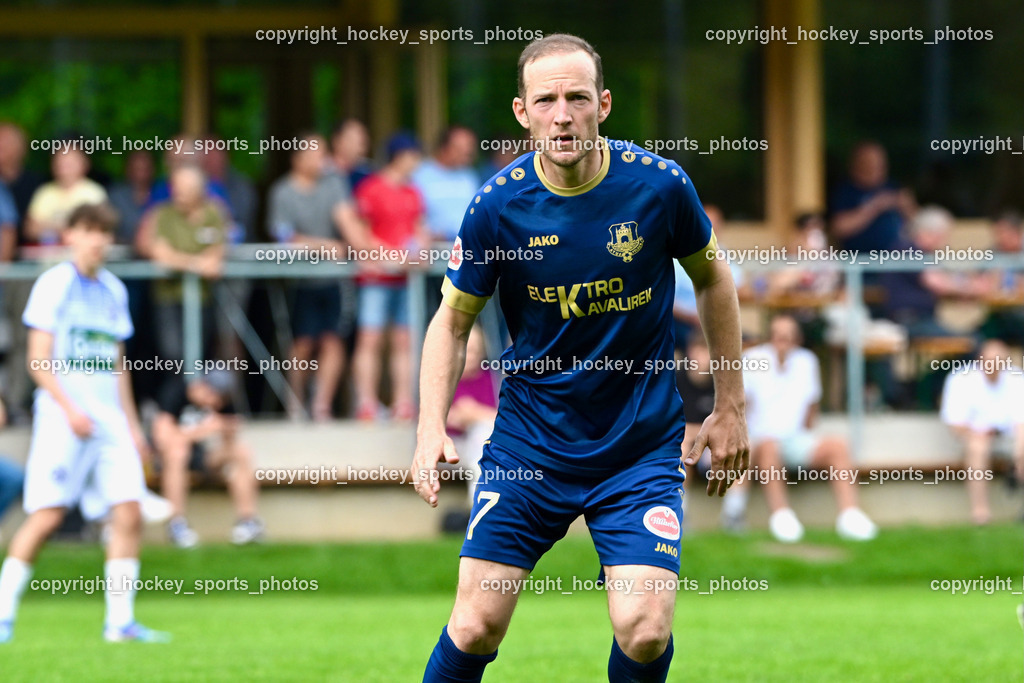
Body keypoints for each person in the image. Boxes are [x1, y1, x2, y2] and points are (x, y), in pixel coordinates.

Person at [411, 34, 748, 683]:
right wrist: (430, 426)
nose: (561, 114)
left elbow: (715, 281)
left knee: (645, 627)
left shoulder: (658, 187)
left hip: (638, 446)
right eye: (546, 100)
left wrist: (731, 406)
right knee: (477, 621)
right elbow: (451, 322)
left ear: (604, 104)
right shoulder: (496, 207)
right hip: (530, 444)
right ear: (521, 112)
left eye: (576, 97)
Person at [0, 203, 169, 643]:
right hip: (62, 416)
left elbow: (118, 365)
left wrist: (132, 427)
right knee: (47, 517)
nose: (97, 240)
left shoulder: (114, 289)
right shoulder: (53, 284)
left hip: (109, 419)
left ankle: (120, 623)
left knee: (129, 513)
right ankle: (3, 613)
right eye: (88, 230)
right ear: (70, 235)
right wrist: (69, 407)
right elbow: (37, 360)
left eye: (104, 232)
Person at [734, 315, 877, 543]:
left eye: (788, 336)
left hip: (795, 439)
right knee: (770, 446)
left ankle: (849, 516)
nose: (783, 341)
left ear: (797, 339)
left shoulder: (807, 361)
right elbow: (740, 408)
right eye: (778, 336)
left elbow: (811, 407)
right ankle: (781, 516)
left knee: (838, 445)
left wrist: (804, 436)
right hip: (759, 440)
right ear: (769, 338)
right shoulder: (751, 359)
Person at [268, 133, 360, 421]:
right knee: (302, 342)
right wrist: (326, 246)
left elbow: (348, 222)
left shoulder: (334, 184)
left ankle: (322, 405)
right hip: (300, 281)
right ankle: (295, 404)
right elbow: (284, 238)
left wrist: (372, 253)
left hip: (334, 280)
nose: (324, 160)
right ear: (298, 159)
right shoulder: (282, 191)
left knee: (334, 340)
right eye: (316, 154)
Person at [346, 132, 428, 421]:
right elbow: (361, 233)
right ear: (401, 156)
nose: (417, 163)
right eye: (415, 156)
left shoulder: (413, 192)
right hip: (376, 278)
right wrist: (394, 255)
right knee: (370, 340)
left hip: (406, 279)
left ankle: (403, 402)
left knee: (404, 341)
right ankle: (366, 403)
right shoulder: (371, 188)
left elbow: (419, 228)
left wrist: (421, 250)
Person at [152, 373, 262, 547]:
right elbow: (162, 440)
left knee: (241, 451)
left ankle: (248, 522)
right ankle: (176, 524)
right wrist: (201, 430)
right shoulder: (176, 391)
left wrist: (227, 430)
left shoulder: (222, 403)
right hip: (170, 459)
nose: (218, 404)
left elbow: (227, 441)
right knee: (178, 453)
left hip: (203, 457)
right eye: (216, 397)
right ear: (203, 387)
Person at [940, 338, 1024, 525]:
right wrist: (977, 433)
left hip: (1009, 435)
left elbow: (1021, 422)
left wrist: (1020, 451)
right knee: (978, 447)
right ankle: (980, 512)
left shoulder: (1016, 378)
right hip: (973, 435)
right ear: (980, 359)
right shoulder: (961, 379)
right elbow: (955, 423)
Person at [829, 140, 916, 253]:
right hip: (860, 261)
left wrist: (907, 207)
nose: (875, 168)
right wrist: (874, 206)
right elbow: (838, 228)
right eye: (869, 163)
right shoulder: (845, 190)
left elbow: (918, 224)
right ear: (857, 164)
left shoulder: (894, 187)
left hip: (896, 260)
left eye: (880, 164)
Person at [445, 326, 498, 508]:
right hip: (452, 448)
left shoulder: (491, 379)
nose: (471, 355)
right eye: (466, 349)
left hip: (482, 445)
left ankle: (481, 501)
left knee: (482, 434)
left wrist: (473, 412)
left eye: (476, 350)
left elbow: (501, 417)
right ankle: (480, 503)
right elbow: (449, 419)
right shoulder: (446, 380)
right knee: (481, 436)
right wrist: (477, 414)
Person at [24, 147, 107, 246]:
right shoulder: (45, 193)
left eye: (70, 163)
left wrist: (51, 227)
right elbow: (30, 229)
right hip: (49, 255)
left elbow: (101, 230)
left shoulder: (94, 193)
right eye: (60, 162)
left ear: (84, 164)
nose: (64, 167)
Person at [413, 126, 481, 242]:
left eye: (469, 150)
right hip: (433, 249)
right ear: (443, 148)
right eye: (460, 149)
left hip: (467, 247)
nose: (466, 154)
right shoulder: (419, 175)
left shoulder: (469, 176)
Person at [107, 150, 155, 246]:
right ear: (127, 169)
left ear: (152, 170)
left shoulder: (161, 193)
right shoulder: (116, 196)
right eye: (137, 169)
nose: (141, 174)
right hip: (121, 252)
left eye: (144, 169)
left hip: (155, 251)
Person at [330, 118, 374, 191]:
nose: (361, 143)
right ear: (336, 141)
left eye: (362, 138)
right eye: (353, 138)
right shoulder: (321, 172)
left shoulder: (368, 172)